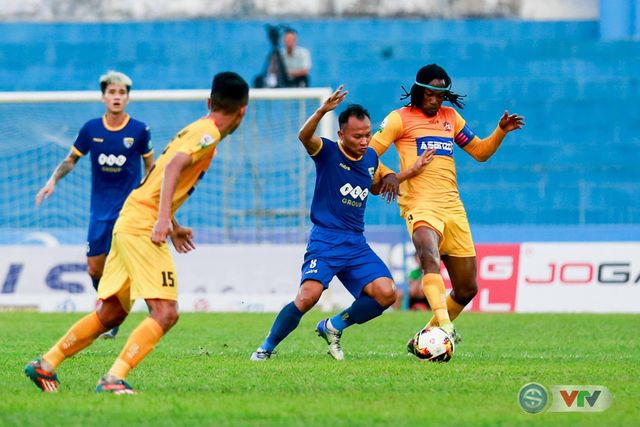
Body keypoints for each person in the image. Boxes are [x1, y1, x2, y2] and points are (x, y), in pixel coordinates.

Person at [25, 71, 250, 394]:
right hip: (142, 222)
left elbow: (159, 175)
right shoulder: (208, 134)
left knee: (113, 311)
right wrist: (162, 221)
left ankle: (45, 364)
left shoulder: (197, 128)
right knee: (166, 312)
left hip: (131, 217)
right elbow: (172, 168)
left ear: (209, 101)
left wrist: (172, 224)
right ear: (242, 110)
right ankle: (113, 379)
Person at [251, 86, 433, 362]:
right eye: (357, 136)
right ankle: (266, 347)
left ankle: (333, 326)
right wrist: (322, 110)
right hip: (325, 239)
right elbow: (303, 136)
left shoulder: (371, 157)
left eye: (368, 135)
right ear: (341, 135)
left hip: (355, 243)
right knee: (307, 298)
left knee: (386, 293)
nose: (364, 141)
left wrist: (410, 172)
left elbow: (375, 186)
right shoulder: (327, 151)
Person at [369, 64, 524, 350]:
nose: (436, 99)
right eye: (431, 93)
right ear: (419, 90)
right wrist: (388, 175)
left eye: (441, 95)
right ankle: (447, 327)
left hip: (453, 207)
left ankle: (427, 335)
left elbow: (479, 152)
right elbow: (366, 154)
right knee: (429, 257)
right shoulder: (398, 119)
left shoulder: (451, 118)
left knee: (467, 289)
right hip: (420, 204)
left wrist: (500, 131)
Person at [35, 70, 154, 339]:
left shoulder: (139, 130)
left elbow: (151, 167)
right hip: (99, 210)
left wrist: (150, 197)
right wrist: (52, 180)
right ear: (103, 97)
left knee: (138, 265)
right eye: (112, 92)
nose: (116, 97)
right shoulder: (91, 129)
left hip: (130, 211)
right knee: (94, 268)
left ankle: (148, 315)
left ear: (127, 98)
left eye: (121, 93)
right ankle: (112, 311)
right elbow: (71, 159)